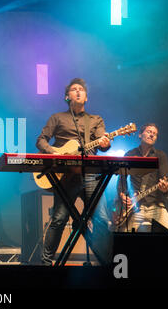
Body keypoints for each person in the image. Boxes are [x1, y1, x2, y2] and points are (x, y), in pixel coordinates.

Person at [36, 77, 111, 266]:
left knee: (101, 219)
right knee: (59, 218)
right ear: (66, 97)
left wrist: (106, 143)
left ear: (86, 97)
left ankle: (106, 262)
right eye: (73, 89)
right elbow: (41, 140)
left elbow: (103, 143)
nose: (78, 91)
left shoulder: (95, 120)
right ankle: (45, 263)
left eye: (81, 89)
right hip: (66, 176)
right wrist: (53, 151)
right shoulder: (57, 118)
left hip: (91, 175)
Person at [116, 123, 168, 266]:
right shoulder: (130, 154)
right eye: (149, 131)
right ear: (140, 134)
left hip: (156, 206)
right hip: (136, 208)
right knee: (122, 242)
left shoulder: (161, 156)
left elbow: (165, 180)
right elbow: (122, 180)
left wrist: (165, 188)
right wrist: (122, 195)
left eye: (155, 134)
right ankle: (120, 274)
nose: (151, 135)